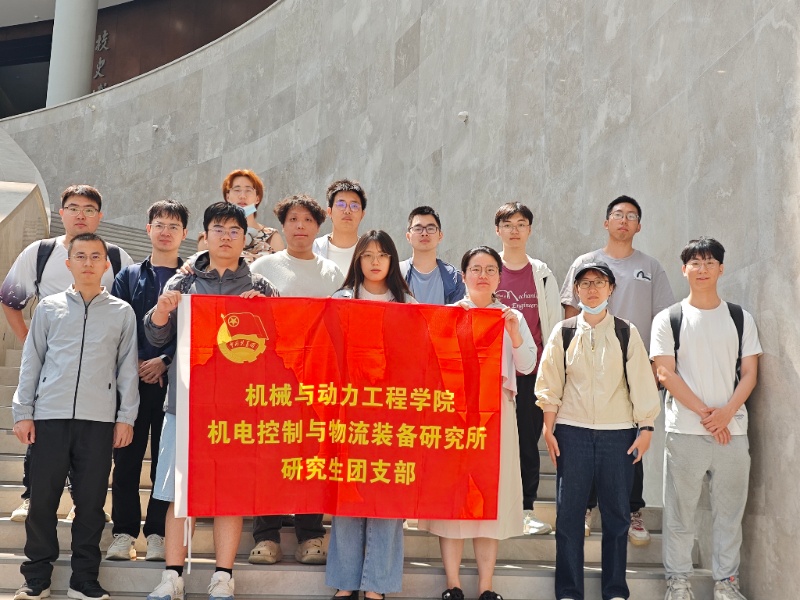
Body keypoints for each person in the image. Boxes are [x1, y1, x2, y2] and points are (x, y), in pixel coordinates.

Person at [144, 202, 279, 600]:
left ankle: (223, 576)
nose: (226, 237)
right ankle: (172, 577)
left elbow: (279, 346)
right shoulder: (184, 281)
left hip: (239, 406)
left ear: (244, 238)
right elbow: (156, 338)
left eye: (235, 230)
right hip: (187, 402)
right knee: (179, 493)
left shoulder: (261, 286)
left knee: (230, 493)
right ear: (205, 235)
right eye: (219, 229)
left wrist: (267, 314)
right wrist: (161, 312)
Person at [11, 232, 139, 600]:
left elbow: (127, 369)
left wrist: (126, 417)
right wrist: (23, 412)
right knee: (42, 502)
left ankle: (84, 579)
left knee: (91, 505)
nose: (87, 263)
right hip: (49, 417)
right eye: (80, 256)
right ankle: (36, 577)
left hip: (98, 421)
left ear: (106, 264)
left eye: (95, 256)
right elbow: (32, 361)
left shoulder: (122, 312)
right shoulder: (48, 308)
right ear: (68, 263)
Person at [0, 184, 133, 523]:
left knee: (90, 447)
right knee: (43, 437)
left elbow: (126, 313)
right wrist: (30, 341)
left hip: (97, 368)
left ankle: (82, 501)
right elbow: (11, 299)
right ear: (61, 213)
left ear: (99, 217)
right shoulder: (40, 252)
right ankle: (31, 497)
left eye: (89, 209)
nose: (81, 215)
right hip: (54, 365)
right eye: (73, 208)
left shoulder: (116, 258)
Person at [418, 246, 536, 600]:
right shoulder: (449, 315)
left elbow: (528, 365)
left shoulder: (511, 316)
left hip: (496, 415)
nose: (482, 275)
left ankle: (486, 587)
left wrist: (514, 334)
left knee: (489, 500)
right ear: (464, 275)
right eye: (475, 269)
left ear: (499, 277)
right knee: (454, 500)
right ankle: (453, 584)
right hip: (455, 415)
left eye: (489, 269)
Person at [537, 261, 660, 600]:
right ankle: (569, 591)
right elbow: (550, 383)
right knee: (569, 517)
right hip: (572, 432)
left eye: (599, 282)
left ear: (611, 289)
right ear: (576, 290)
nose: (592, 289)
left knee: (618, 516)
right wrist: (549, 427)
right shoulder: (563, 332)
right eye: (585, 283)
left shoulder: (626, 331)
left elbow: (642, 382)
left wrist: (646, 427)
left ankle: (615, 590)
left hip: (618, 435)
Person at [651, 238, 761, 600]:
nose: (702, 269)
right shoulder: (669, 318)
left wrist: (726, 413)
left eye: (710, 262)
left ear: (721, 269)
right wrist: (706, 414)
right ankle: (678, 583)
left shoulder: (740, 317)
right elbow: (664, 373)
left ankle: (726, 584)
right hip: (684, 432)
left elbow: (750, 373)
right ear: (684, 269)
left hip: (734, 432)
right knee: (680, 515)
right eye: (695, 263)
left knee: (730, 515)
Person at [560, 195, 673, 543]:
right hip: (588, 369)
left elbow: (663, 320)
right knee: (587, 439)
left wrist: (655, 366)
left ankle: (633, 510)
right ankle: (586, 506)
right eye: (618, 214)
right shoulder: (586, 263)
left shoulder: (650, 267)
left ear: (639, 226)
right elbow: (570, 314)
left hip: (633, 368)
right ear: (606, 222)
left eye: (631, 216)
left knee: (632, 439)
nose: (624, 220)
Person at [247, 194, 343, 566]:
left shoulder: (332, 273)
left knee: (313, 454)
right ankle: (266, 535)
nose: (300, 226)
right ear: (283, 225)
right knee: (269, 453)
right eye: (293, 219)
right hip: (272, 377)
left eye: (307, 220)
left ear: (318, 227)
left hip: (318, 378)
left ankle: (310, 534)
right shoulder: (263, 267)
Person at [327, 230, 415, 600]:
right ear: (358, 260)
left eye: (382, 254)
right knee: (347, 495)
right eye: (367, 255)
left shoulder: (408, 304)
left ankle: (377, 585)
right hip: (348, 412)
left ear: (393, 260)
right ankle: (346, 581)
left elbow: (417, 362)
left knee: (386, 497)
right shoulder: (340, 300)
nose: (375, 261)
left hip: (393, 414)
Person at [106, 200, 189, 563]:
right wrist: (137, 362)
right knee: (126, 459)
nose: (166, 231)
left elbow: (194, 330)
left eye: (173, 226)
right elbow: (118, 325)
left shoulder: (192, 279)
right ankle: (124, 533)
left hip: (174, 385)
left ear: (184, 233)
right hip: (132, 382)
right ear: (148, 229)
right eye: (160, 224)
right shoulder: (128, 276)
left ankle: (157, 533)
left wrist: (165, 360)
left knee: (164, 462)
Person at [493, 202, 562, 536]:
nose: (514, 230)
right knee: (494, 442)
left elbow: (554, 326)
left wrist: (552, 372)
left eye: (521, 224)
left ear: (530, 230)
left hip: (531, 372)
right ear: (498, 231)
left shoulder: (542, 273)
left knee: (526, 444)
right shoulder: (488, 267)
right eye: (508, 224)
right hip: (494, 373)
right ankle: (493, 506)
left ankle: (525, 509)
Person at [399, 206, 465, 305]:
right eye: (418, 229)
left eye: (430, 228)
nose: (424, 233)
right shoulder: (396, 273)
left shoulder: (454, 278)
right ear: (408, 236)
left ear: (440, 236)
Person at [221, 168, 284, 261]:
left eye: (248, 190)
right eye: (237, 190)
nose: (242, 196)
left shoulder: (272, 237)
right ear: (228, 197)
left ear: (257, 198)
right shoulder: (213, 234)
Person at [312, 179, 367, 274]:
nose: (347, 211)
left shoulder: (370, 251)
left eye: (354, 206)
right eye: (341, 205)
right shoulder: (313, 249)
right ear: (329, 212)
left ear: (362, 214)